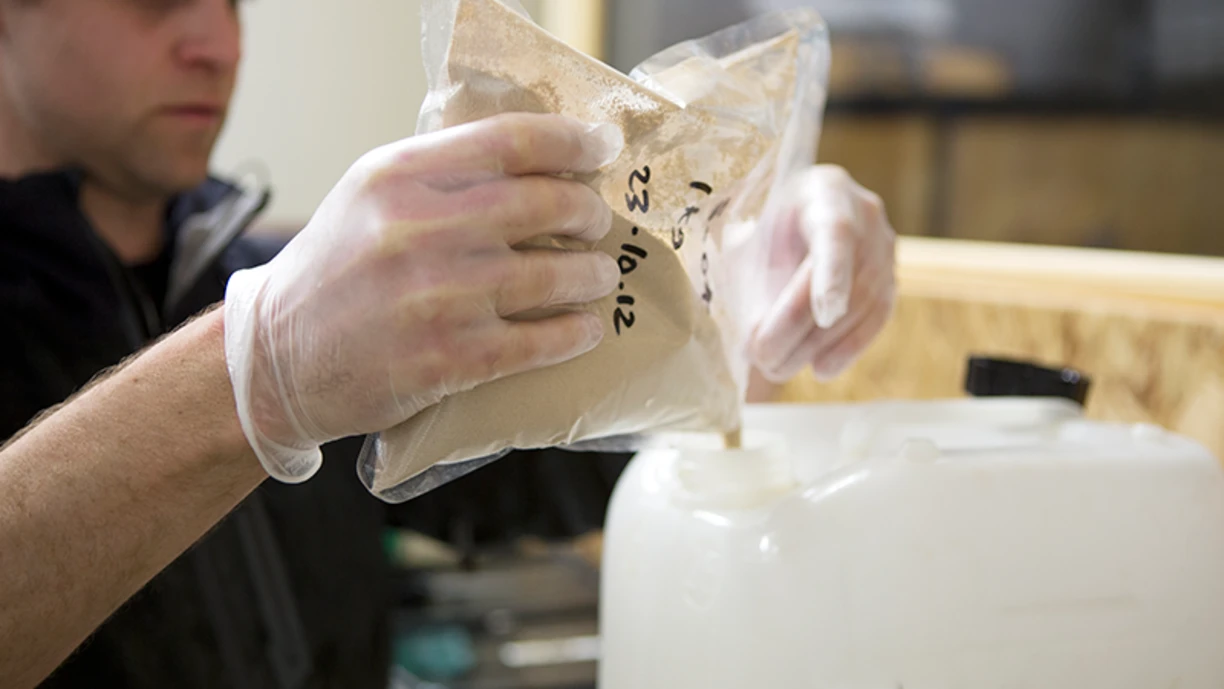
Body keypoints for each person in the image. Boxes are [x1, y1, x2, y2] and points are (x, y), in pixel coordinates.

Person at [0, 1, 896, 688]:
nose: (218, 43)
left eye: (232, 2)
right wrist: (257, 367)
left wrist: (738, 296)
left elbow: (568, 461)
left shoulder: (289, 277)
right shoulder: (286, 307)